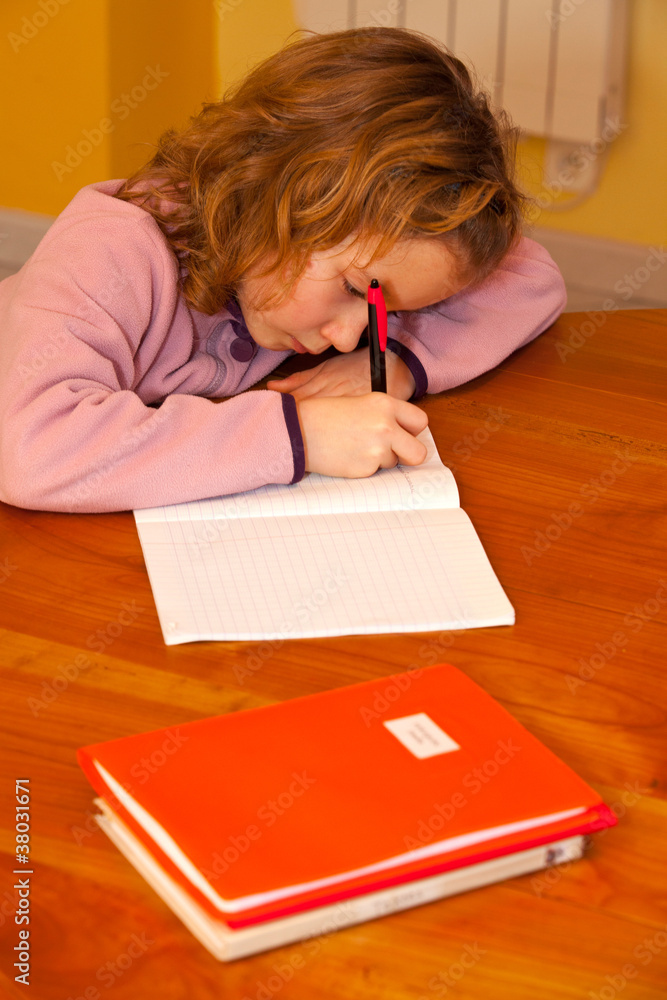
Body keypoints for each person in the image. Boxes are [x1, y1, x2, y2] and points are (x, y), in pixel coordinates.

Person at [0, 27, 565, 513]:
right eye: (354, 290)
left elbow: (531, 278)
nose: (348, 337)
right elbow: (31, 451)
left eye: (388, 309)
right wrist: (296, 435)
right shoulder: (113, 250)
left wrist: (399, 360)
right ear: (281, 199)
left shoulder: (320, 259)